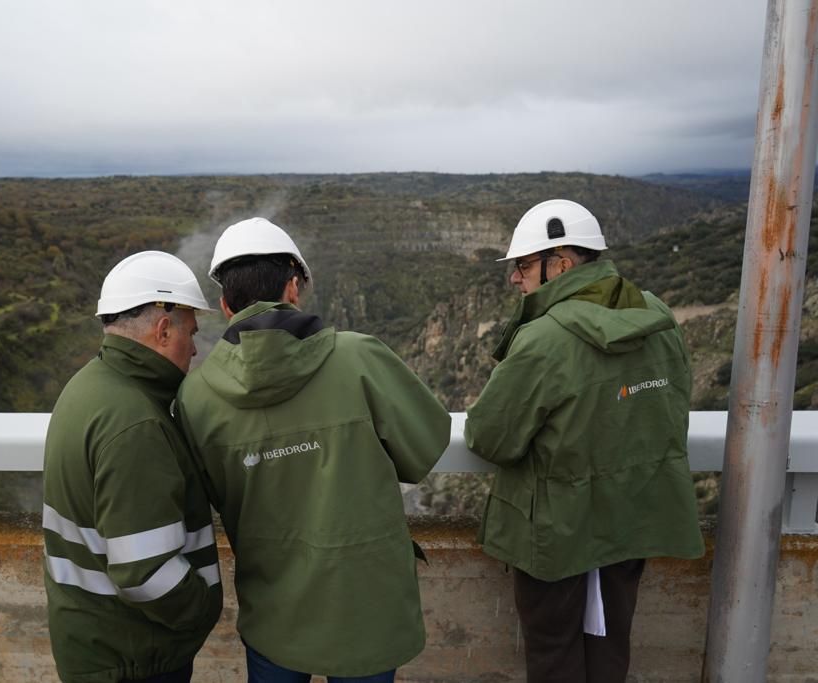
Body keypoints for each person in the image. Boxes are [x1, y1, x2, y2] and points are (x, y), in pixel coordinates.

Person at [175, 217, 451, 682]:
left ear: (225, 304)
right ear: (293, 288)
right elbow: (424, 448)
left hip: (275, 608)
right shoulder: (361, 358)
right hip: (368, 607)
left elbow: (211, 496)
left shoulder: (195, 396)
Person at [464, 199, 705, 682]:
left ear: (564, 264)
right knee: (610, 647)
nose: (515, 277)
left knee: (554, 652)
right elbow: (671, 407)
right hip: (631, 520)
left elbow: (490, 437)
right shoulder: (657, 316)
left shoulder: (544, 339)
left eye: (525, 265)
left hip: (557, 531)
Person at [42, 251, 223, 683]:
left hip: (100, 644)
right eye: (191, 333)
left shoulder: (89, 385)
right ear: (163, 330)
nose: (195, 349)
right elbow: (145, 571)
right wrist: (202, 611)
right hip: (135, 657)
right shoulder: (136, 423)